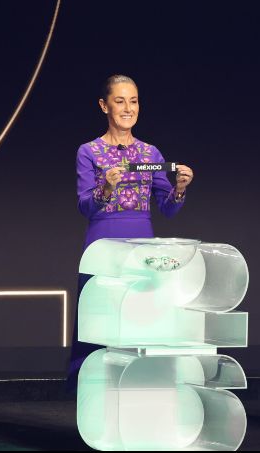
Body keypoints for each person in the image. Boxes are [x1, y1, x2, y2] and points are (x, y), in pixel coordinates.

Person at [67, 74, 194, 388]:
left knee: (139, 321)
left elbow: (167, 208)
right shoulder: (89, 152)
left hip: (141, 248)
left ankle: (139, 391)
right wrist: (106, 187)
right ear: (104, 106)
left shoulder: (151, 154)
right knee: (98, 325)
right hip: (102, 246)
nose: (128, 108)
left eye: (133, 101)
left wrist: (179, 188)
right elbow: (85, 206)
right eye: (120, 101)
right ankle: (93, 395)